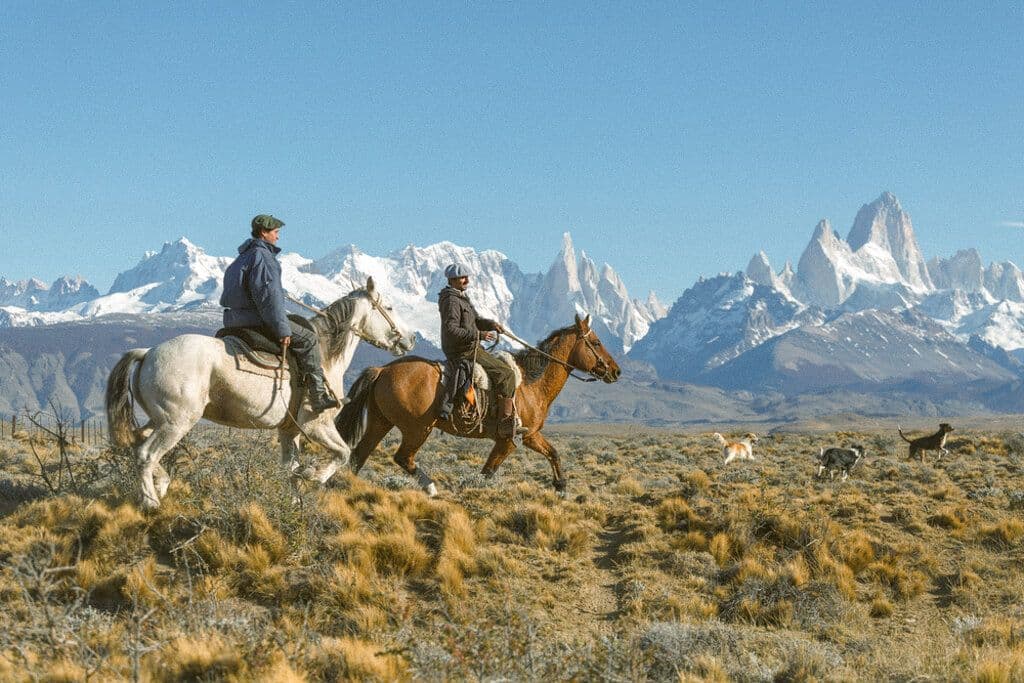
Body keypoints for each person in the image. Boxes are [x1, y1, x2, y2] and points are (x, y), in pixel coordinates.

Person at [220, 214, 340, 413]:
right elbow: (269, 298)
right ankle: (318, 395)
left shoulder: (242, 258)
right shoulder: (263, 257)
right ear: (263, 233)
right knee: (309, 338)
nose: (278, 237)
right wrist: (282, 329)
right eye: (275, 232)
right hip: (255, 319)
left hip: (234, 320)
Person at [438, 263, 516, 438]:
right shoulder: (451, 301)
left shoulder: (460, 298)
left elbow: (475, 321)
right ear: (452, 280)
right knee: (506, 374)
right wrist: (479, 335)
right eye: (462, 277)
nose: (466, 280)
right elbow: (451, 329)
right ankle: (505, 423)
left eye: (466, 276)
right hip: (464, 350)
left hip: (469, 346)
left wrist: (492, 325)